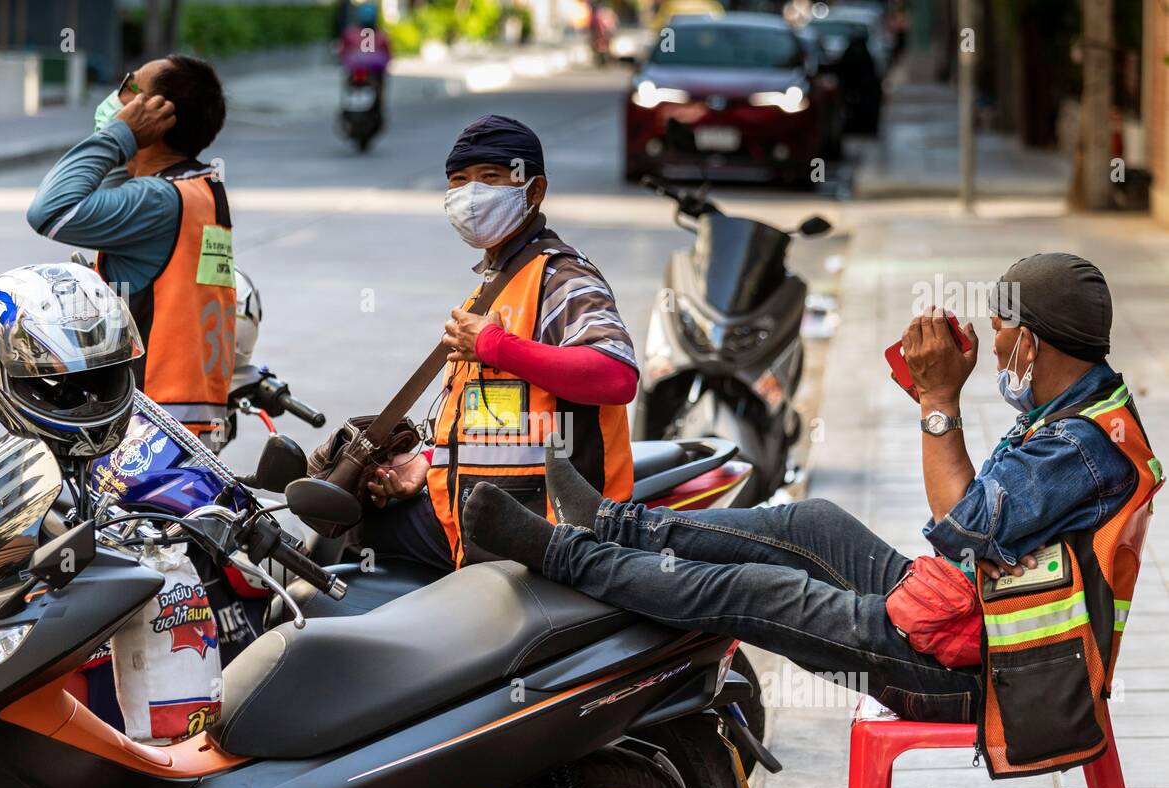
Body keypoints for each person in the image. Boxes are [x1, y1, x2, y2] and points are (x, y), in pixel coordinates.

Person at [463, 254, 1158, 753]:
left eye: (1005, 335)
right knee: (811, 521)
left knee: (760, 592)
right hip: (965, 620)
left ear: (1032, 341)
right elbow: (987, 521)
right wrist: (932, 400)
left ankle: (560, 550)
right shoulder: (1087, 409)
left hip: (990, 680)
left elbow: (963, 528)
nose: (998, 350)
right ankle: (613, 522)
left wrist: (941, 403)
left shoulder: (1083, 448)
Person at [361, 115, 639, 570]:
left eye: (490, 178)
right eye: (459, 181)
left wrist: (496, 346)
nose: (471, 195)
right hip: (489, 528)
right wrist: (425, 464)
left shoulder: (560, 276)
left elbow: (616, 375)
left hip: (552, 533)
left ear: (533, 191)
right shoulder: (494, 286)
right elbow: (496, 419)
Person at [27, 54, 235, 449]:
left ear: (156, 115)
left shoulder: (158, 200)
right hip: (186, 425)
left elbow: (50, 211)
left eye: (130, 88)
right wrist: (127, 148)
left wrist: (119, 136)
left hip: (149, 430)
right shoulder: (199, 189)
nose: (117, 98)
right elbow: (105, 193)